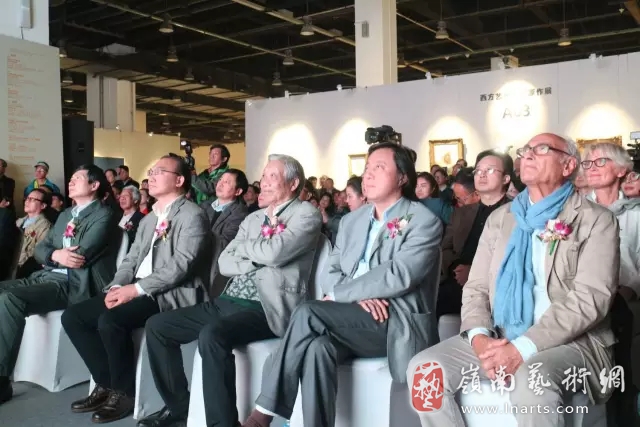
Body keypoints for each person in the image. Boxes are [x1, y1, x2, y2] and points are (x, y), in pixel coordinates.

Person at [408, 133, 619, 427]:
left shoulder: (596, 220)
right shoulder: (501, 219)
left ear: (568, 165)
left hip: (571, 341)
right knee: (424, 369)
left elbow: (590, 299)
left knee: (531, 379)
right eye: (525, 150)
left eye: (541, 149)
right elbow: (477, 287)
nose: (528, 154)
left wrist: (523, 348)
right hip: (502, 332)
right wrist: (480, 338)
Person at [241, 143, 443, 427]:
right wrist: (352, 298)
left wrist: (342, 294)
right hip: (350, 316)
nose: (368, 175)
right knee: (317, 348)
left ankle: (262, 414)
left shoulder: (424, 221)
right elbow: (331, 271)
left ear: (402, 177)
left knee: (308, 312)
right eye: (367, 168)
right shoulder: (352, 220)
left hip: (393, 320)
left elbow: (398, 274)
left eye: (379, 168)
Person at [137, 154, 321, 427]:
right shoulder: (254, 218)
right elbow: (225, 262)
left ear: (293, 184)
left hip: (267, 307)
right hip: (227, 300)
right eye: (264, 175)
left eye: (272, 176)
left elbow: (277, 252)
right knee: (158, 326)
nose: (264, 182)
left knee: (212, 335)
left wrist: (247, 250)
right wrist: (259, 255)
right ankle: (179, 407)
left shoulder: (306, 213)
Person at [61, 155, 212, 424]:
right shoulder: (149, 218)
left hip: (169, 293)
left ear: (179, 180)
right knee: (74, 317)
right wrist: (118, 285)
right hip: (135, 287)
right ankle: (107, 382)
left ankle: (124, 393)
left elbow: (181, 266)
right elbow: (131, 259)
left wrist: (136, 289)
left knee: (111, 321)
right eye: (151, 171)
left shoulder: (192, 215)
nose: (151, 176)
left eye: (160, 171)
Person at [0, 165, 118, 404]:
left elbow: (81, 255)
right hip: (46, 275)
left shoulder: (104, 214)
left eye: (77, 178)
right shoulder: (65, 215)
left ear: (94, 185)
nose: (71, 182)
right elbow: (41, 249)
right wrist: (56, 255)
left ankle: (2, 381)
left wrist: (55, 255)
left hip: (72, 283)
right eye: (71, 178)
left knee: (10, 299)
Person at [583, 143, 640, 425]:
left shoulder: (635, 214)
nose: (592, 168)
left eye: (601, 162)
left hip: (624, 302)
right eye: (588, 163)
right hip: (583, 301)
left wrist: (631, 288)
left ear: (621, 170)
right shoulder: (577, 211)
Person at [437, 150, 512, 318]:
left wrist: (474, 273)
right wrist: (455, 268)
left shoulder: (516, 213)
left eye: (490, 170)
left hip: (496, 287)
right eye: (478, 171)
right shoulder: (461, 213)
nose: (482, 175)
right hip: (455, 280)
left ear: (506, 178)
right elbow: (445, 247)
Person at [201, 168, 250, 292]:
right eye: (220, 180)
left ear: (238, 191)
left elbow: (226, 242)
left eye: (227, 182)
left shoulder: (240, 213)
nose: (220, 184)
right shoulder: (205, 205)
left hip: (214, 266)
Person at [15, 189, 52, 278]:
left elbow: (38, 254)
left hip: (22, 268)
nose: (27, 201)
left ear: (43, 205)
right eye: (27, 198)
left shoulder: (45, 226)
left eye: (32, 199)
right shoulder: (19, 221)